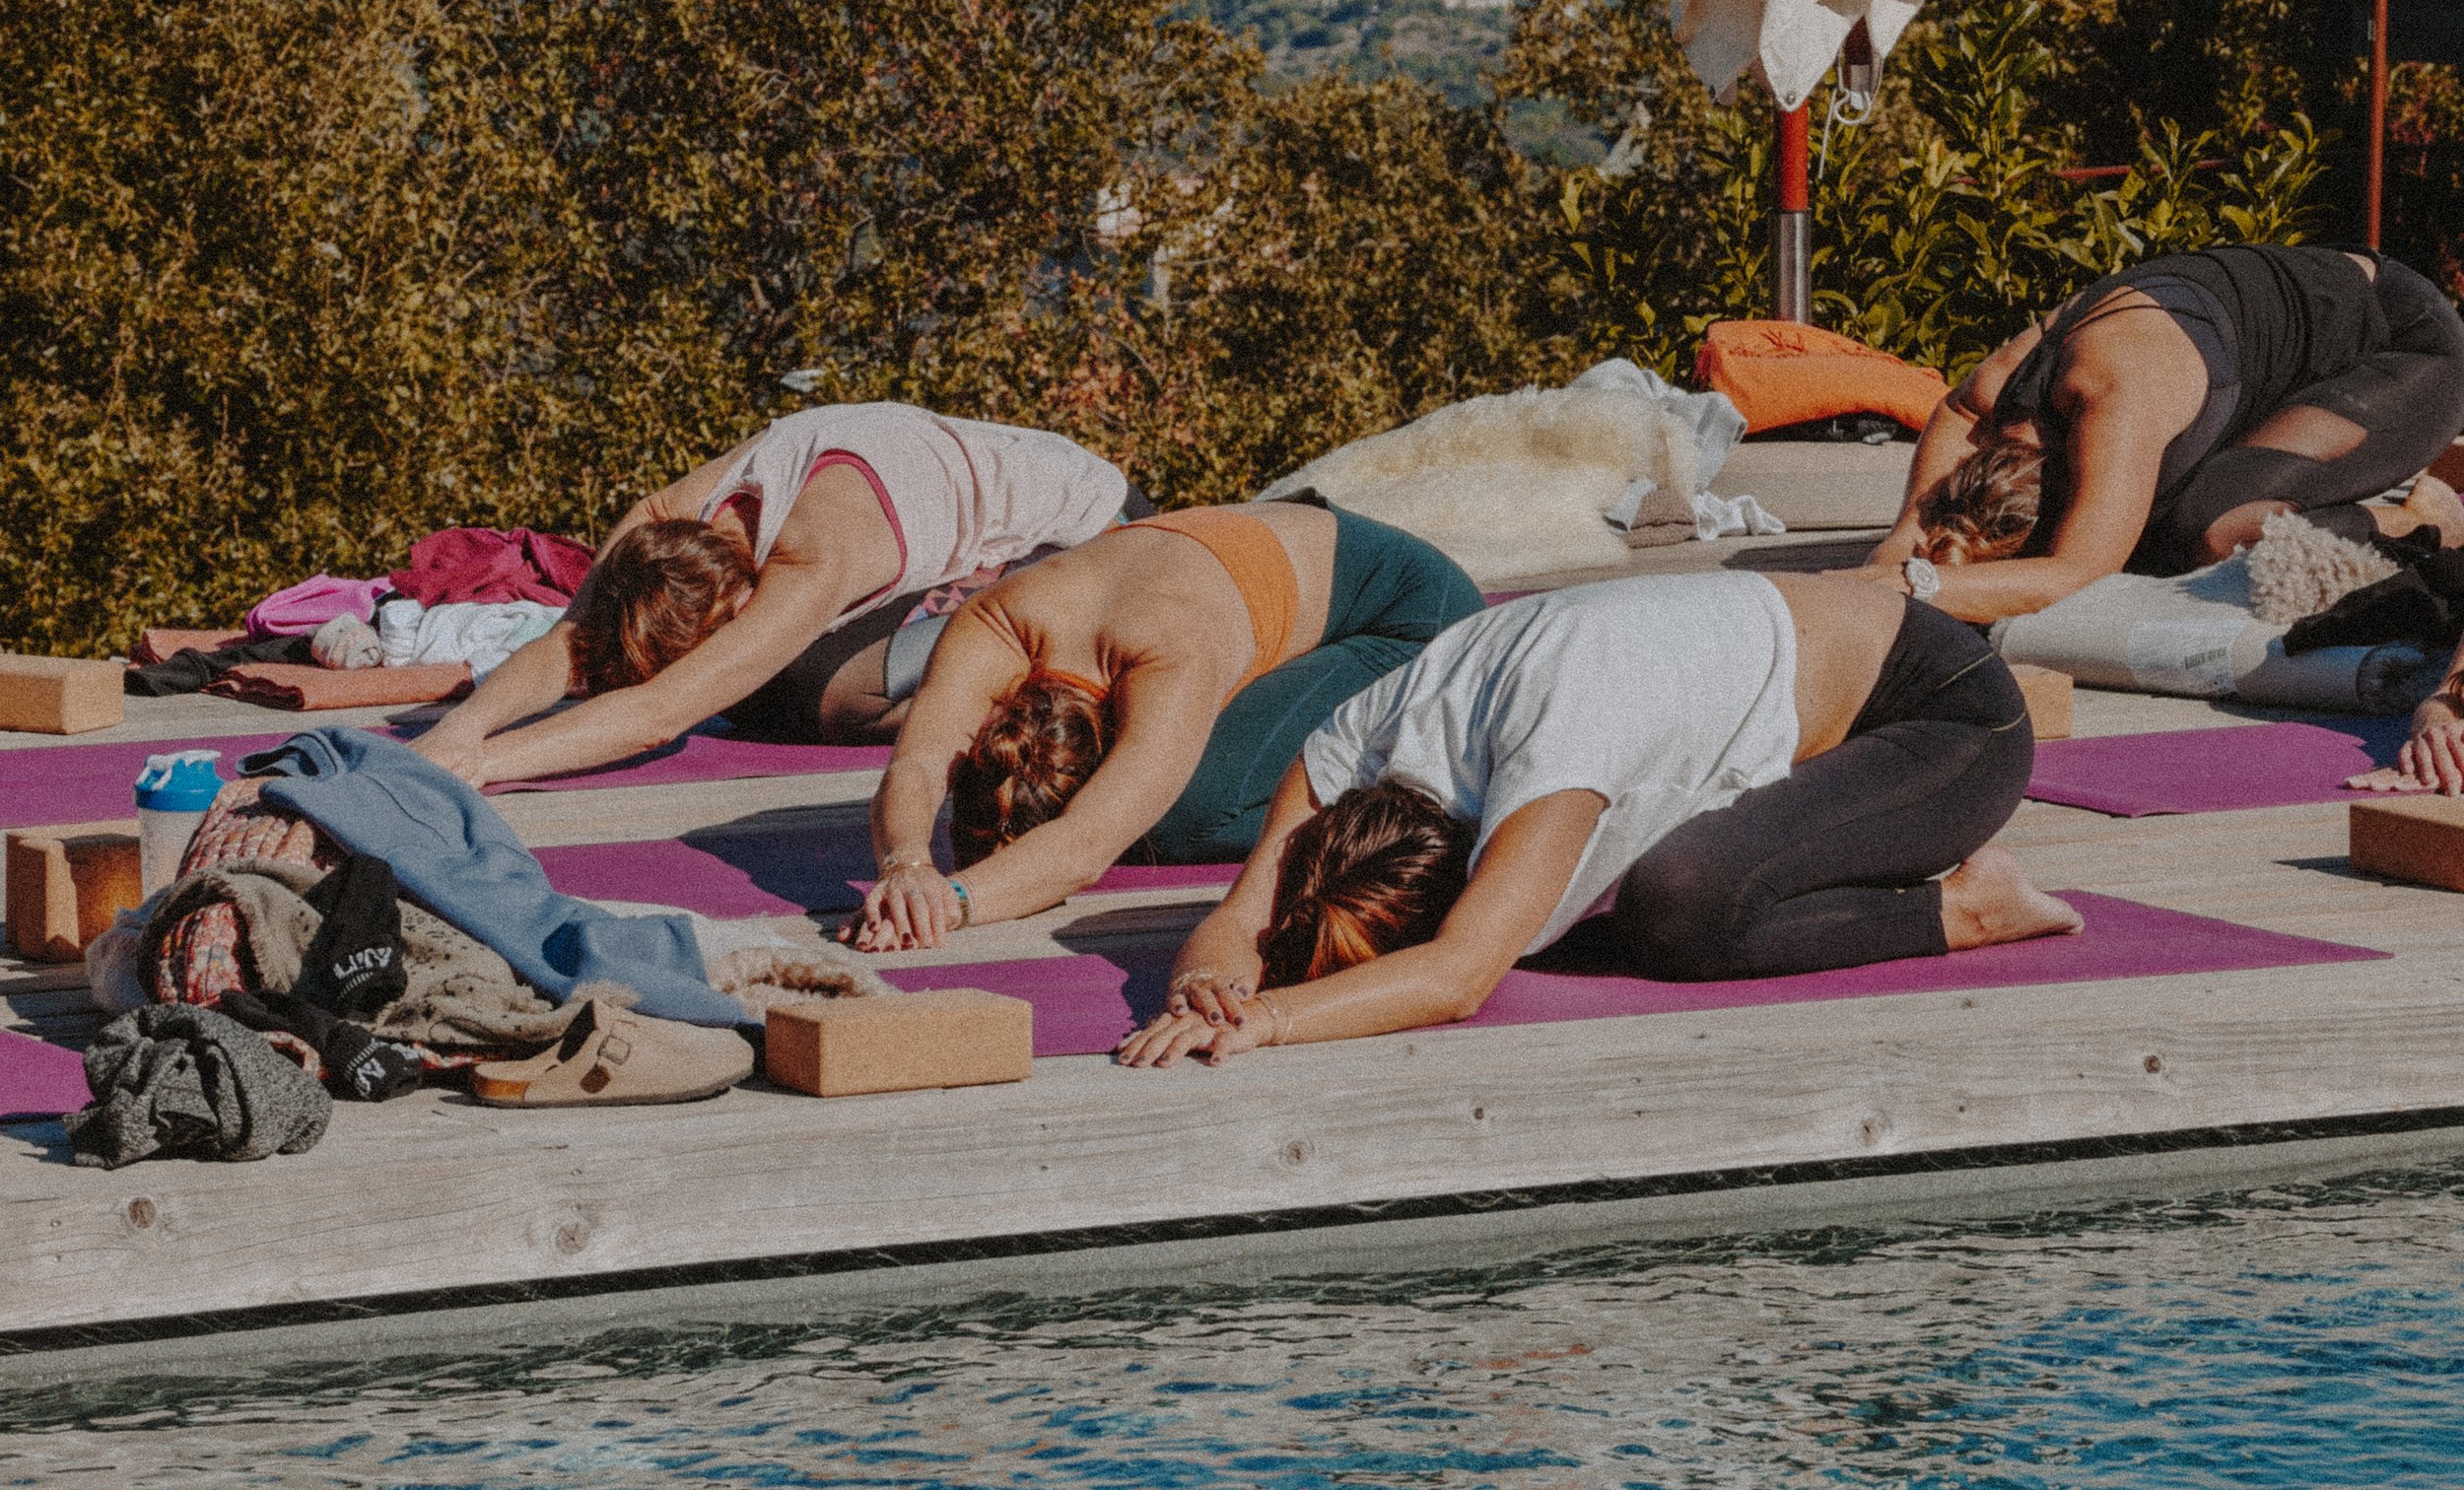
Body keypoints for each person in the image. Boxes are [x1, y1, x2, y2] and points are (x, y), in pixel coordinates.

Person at [1117, 566, 2077, 1065]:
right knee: (1590, 925)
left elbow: (1457, 976)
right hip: (1821, 702)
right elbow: (1244, 914)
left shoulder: (1550, 751)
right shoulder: (1354, 749)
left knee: (1682, 905)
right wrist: (1202, 989)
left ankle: (1969, 906)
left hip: (1947, 724)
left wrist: (1269, 1022)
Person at [853, 499, 1483, 950]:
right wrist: (906, 866)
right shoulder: (996, 622)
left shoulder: (1170, 654)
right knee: (1155, 792)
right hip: (1291, 562)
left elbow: (1085, 847)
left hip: (1417, 620)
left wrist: (952, 904)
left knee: (1179, 817)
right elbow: (917, 764)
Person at [412, 403, 1132, 789]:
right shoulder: (667, 519)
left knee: (807, 696)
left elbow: (660, 714)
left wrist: (486, 765)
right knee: (767, 692)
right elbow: (569, 638)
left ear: (737, 606)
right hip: (946, 511)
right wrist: (460, 731)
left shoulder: (815, 555)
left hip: (1100, 539)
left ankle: (1023, 697)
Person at [1871, 244, 2464, 627]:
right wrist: (1894, 551)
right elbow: (1953, 420)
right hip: (2281, 345)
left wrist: (1900, 589)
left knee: (2213, 532)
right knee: (2156, 541)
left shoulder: (2113, 400)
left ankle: (2426, 521)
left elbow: (2073, 575)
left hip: (2408, 346)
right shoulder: (1998, 395)